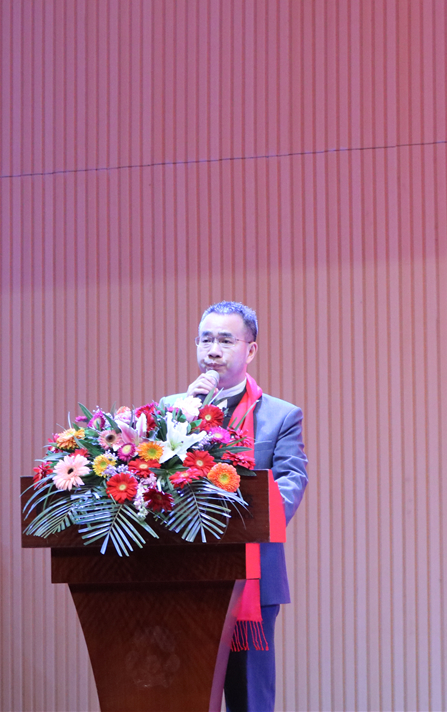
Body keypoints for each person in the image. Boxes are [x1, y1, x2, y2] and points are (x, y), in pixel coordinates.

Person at [161, 301, 308, 712]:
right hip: (181, 573)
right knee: (183, 693)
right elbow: (152, 476)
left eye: (226, 340)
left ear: (251, 350)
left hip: (253, 576)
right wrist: (185, 418)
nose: (213, 350)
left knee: (249, 699)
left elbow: (292, 480)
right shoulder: (171, 409)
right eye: (205, 340)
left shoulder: (280, 416)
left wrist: (248, 519)